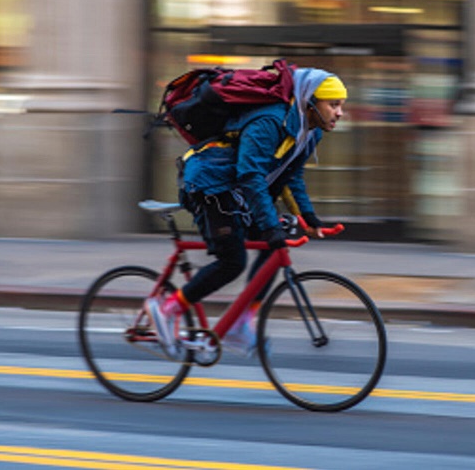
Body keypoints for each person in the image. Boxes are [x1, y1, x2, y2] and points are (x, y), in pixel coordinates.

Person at [146, 67, 347, 358]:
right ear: (310, 101)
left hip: (236, 189)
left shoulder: (310, 131)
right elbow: (250, 175)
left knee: (273, 244)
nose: (340, 113)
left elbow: (292, 175)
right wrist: (268, 224)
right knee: (233, 261)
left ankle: (241, 321)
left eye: (341, 105)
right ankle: (167, 309)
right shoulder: (271, 121)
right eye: (334, 104)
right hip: (209, 184)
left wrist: (308, 217)